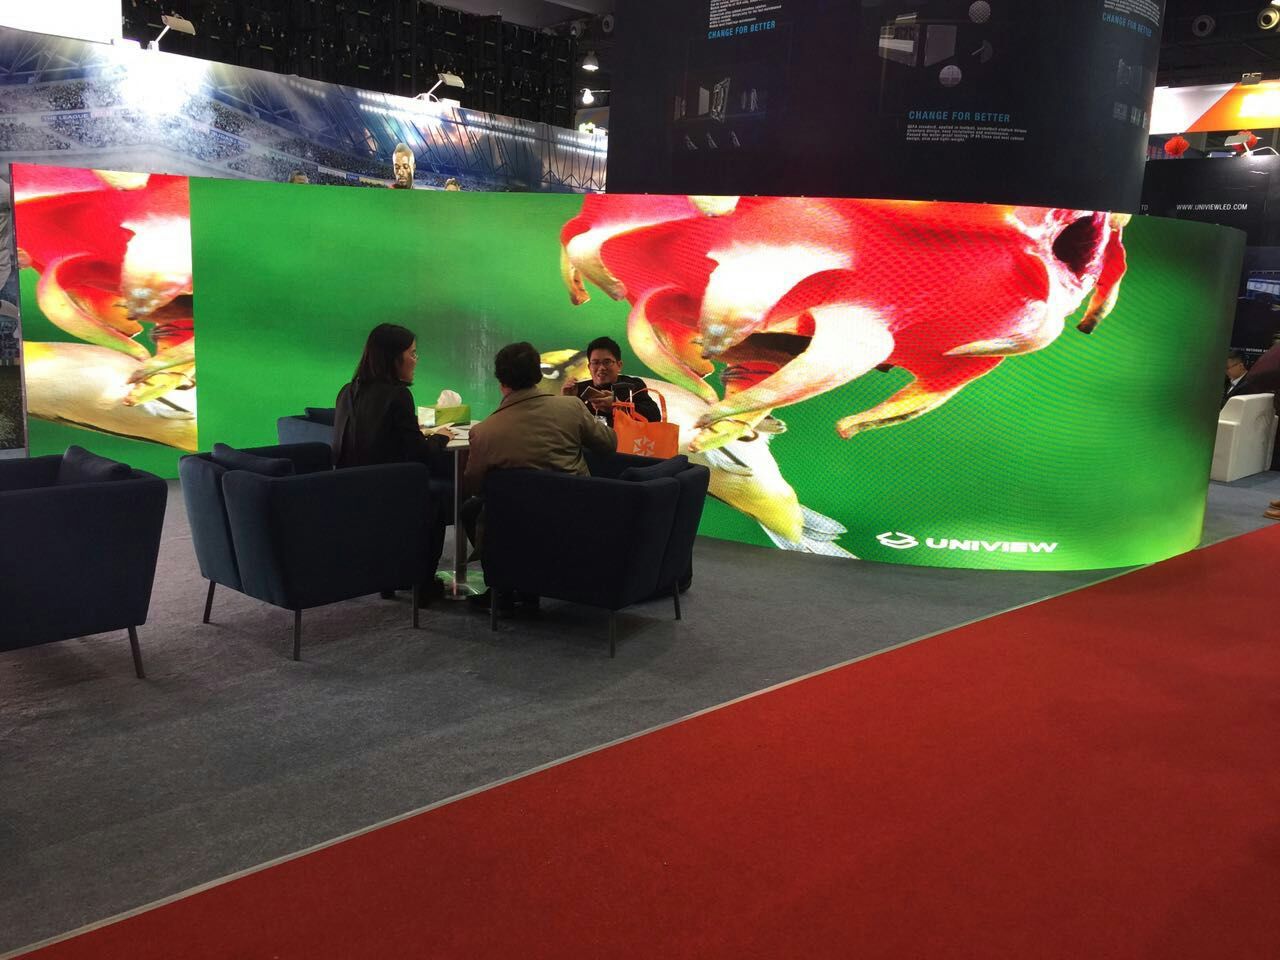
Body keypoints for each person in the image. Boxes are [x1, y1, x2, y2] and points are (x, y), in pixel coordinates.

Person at [464, 341, 616, 610]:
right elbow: (608, 445)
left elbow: (474, 485)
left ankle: (502, 587)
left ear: (501, 381)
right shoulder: (572, 408)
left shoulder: (484, 432)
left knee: (472, 509)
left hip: (516, 526)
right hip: (575, 517)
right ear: (537, 375)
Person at [333, 323, 455, 601]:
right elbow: (419, 453)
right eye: (412, 353)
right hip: (390, 490)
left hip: (351, 489)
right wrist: (441, 438)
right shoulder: (398, 395)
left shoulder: (347, 391)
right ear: (394, 358)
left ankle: (388, 578)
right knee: (439, 501)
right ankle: (423, 581)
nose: (415, 360)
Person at [561, 335, 661, 425]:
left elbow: (654, 417)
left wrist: (618, 407)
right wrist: (567, 401)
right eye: (595, 363)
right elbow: (566, 427)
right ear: (589, 367)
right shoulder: (578, 389)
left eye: (607, 362)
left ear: (619, 365)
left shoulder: (632, 386)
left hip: (625, 439)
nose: (601, 368)